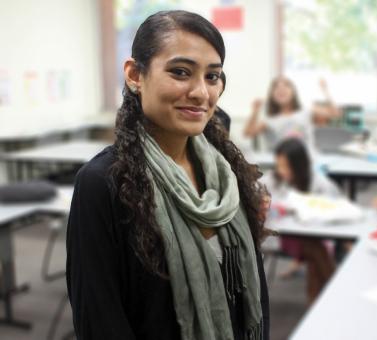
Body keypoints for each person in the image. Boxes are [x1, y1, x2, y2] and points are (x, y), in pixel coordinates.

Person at [66, 11, 269, 340]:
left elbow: (255, 292)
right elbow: (99, 320)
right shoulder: (103, 183)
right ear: (135, 74)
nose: (201, 92)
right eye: (180, 72)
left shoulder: (225, 173)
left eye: (212, 76)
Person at [261, 138, 339, 304]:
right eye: (279, 165)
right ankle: (331, 297)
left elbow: (333, 205)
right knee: (316, 250)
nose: (282, 171)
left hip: (307, 234)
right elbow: (252, 194)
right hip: (280, 236)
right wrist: (262, 202)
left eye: (286, 166)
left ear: (299, 165)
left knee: (315, 248)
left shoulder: (316, 181)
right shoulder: (272, 179)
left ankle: (321, 299)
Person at [243, 77, 341, 151]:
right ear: (272, 95)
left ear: (293, 92)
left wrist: (325, 90)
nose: (281, 89)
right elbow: (248, 133)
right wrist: (255, 111)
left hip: (308, 165)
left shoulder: (306, 111)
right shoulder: (269, 121)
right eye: (276, 87)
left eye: (286, 86)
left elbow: (335, 113)